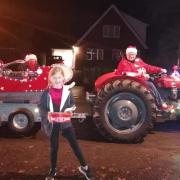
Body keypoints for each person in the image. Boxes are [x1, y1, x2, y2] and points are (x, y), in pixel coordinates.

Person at [39, 65, 94, 180]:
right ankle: (53, 171)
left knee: (75, 145)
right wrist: (47, 114)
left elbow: (72, 105)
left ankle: (85, 168)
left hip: (65, 123)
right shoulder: (46, 93)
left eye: (59, 78)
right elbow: (41, 107)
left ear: (63, 78)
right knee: (54, 148)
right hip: (53, 123)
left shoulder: (67, 92)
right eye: (54, 78)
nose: (57, 80)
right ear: (50, 79)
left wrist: (69, 109)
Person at [115, 45, 173, 112]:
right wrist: (141, 75)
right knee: (150, 85)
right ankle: (160, 105)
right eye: (129, 54)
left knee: (155, 81)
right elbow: (128, 74)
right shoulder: (124, 63)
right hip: (130, 82)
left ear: (135, 54)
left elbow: (148, 67)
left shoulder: (138, 61)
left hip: (140, 81)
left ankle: (160, 101)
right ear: (126, 54)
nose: (131, 56)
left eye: (133, 54)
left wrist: (160, 69)